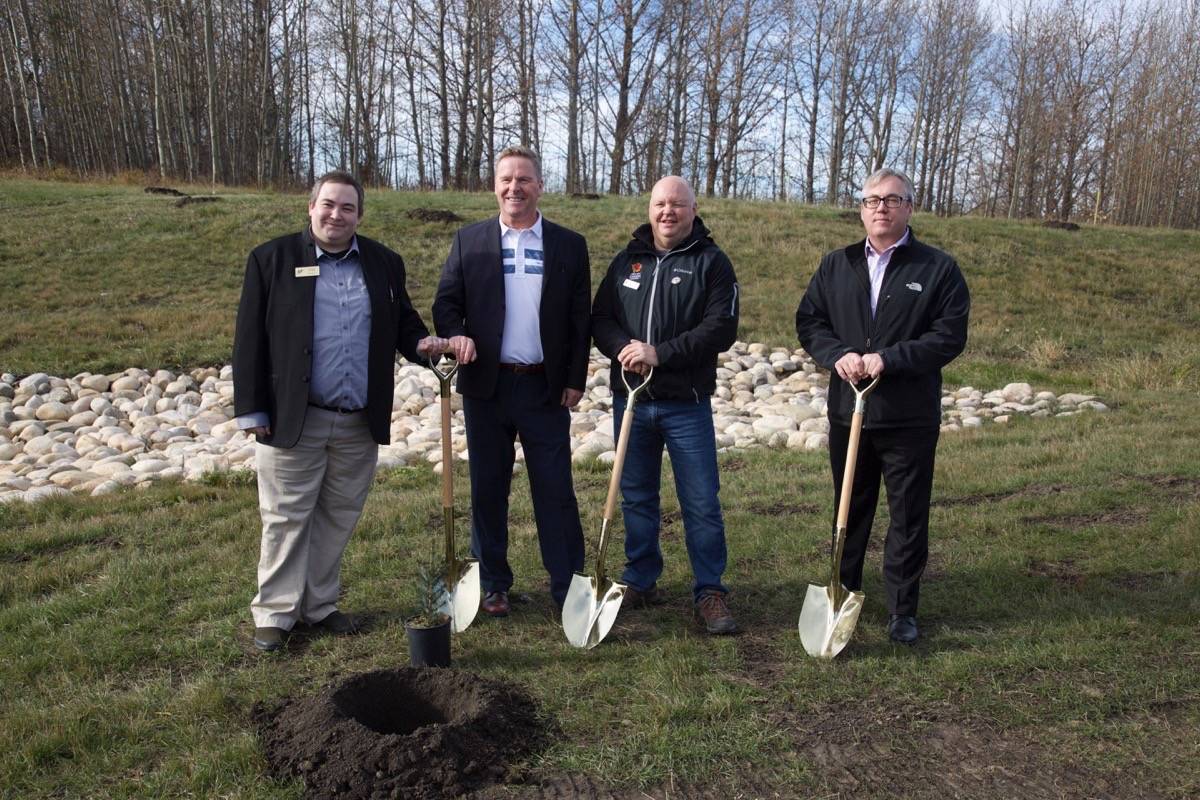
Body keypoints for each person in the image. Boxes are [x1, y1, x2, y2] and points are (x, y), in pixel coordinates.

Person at [234, 170, 446, 652]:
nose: (336, 215)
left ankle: (319, 606)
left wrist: (424, 345)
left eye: (347, 208)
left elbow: (403, 322)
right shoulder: (272, 259)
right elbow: (248, 339)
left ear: (359, 215)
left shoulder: (383, 262)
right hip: (294, 417)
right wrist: (252, 410)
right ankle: (275, 614)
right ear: (310, 207)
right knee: (286, 517)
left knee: (338, 515)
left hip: (357, 420)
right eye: (328, 205)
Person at [795, 167, 970, 644]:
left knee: (908, 515)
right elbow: (810, 322)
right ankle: (843, 589)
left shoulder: (937, 269)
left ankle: (902, 610)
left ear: (909, 207)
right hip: (847, 410)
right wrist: (839, 356)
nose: (881, 208)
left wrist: (887, 359)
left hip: (907, 416)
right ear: (861, 209)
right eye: (873, 200)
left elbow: (948, 336)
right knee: (849, 509)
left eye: (892, 200)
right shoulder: (837, 265)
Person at [432, 145, 590, 616]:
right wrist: (456, 335)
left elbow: (580, 318)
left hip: (545, 387)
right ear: (495, 186)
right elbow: (446, 303)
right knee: (487, 488)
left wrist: (575, 378)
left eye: (524, 179)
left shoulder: (568, 244)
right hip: (487, 387)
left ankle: (567, 585)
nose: (514, 187)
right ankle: (493, 584)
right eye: (506, 179)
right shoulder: (470, 241)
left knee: (555, 489)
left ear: (540, 186)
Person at [591, 175, 741, 635]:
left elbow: (721, 328)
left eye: (677, 205)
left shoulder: (712, 264)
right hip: (632, 401)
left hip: (685, 404)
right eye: (660, 205)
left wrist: (660, 353)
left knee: (699, 499)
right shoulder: (628, 261)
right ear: (649, 208)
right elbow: (601, 319)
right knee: (636, 496)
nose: (667, 213)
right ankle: (641, 576)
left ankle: (709, 590)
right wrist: (625, 349)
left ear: (693, 210)